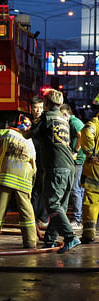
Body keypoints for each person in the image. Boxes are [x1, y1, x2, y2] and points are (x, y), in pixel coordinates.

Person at [0, 114, 37, 248]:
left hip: (5, 178)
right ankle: (31, 242)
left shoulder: (7, 132)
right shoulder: (30, 141)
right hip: (24, 181)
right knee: (27, 212)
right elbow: (34, 167)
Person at [34, 89, 80, 253]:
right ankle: (50, 240)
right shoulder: (63, 118)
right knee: (59, 206)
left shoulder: (46, 117)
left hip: (56, 168)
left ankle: (70, 237)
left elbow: (30, 134)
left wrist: (17, 131)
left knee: (52, 204)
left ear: (46, 103)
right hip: (69, 168)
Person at [60, 103, 85, 230]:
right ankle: (78, 217)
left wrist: (75, 151)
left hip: (78, 160)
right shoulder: (73, 122)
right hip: (78, 160)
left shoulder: (74, 122)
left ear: (66, 114)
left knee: (75, 189)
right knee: (78, 190)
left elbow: (81, 135)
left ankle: (77, 219)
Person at [79, 98, 99, 244]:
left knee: (91, 199)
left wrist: (91, 153)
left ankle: (89, 233)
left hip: (95, 167)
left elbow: (86, 133)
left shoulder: (95, 123)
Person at [28, 96, 47, 231]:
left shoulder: (45, 121)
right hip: (31, 160)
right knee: (33, 189)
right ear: (31, 108)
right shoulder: (28, 122)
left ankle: (42, 218)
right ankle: (33, 218)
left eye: (40, 107)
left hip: (43, 160)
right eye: (35, 108)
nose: (38, 110)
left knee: (42, 189)